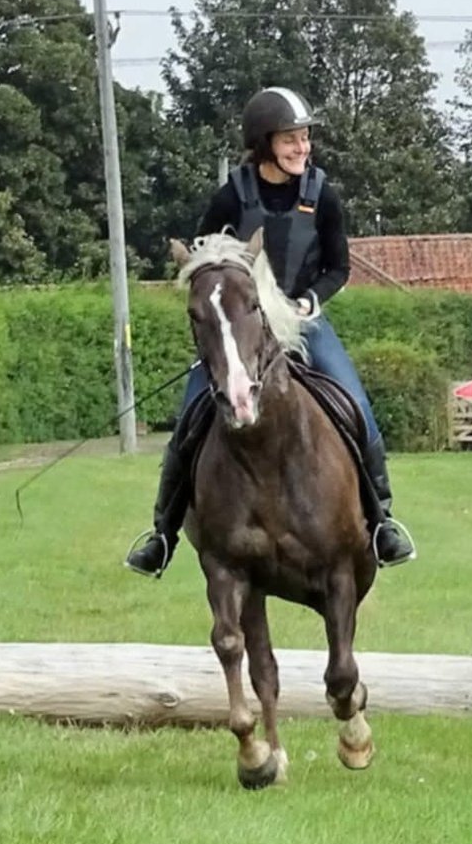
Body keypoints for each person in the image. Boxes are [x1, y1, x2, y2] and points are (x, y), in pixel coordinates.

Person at [124, 86, 417, 576]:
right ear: (264, 143)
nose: (301, 147)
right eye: (290, 139)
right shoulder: (230, 197)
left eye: (304, 138)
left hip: (303, 321)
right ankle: (162, 534)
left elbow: (338, 266)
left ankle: (383, 522)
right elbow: (203, 263)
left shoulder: (323, 195)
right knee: (190, 421)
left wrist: (309, 300)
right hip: (242, 328)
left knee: (357, 404)